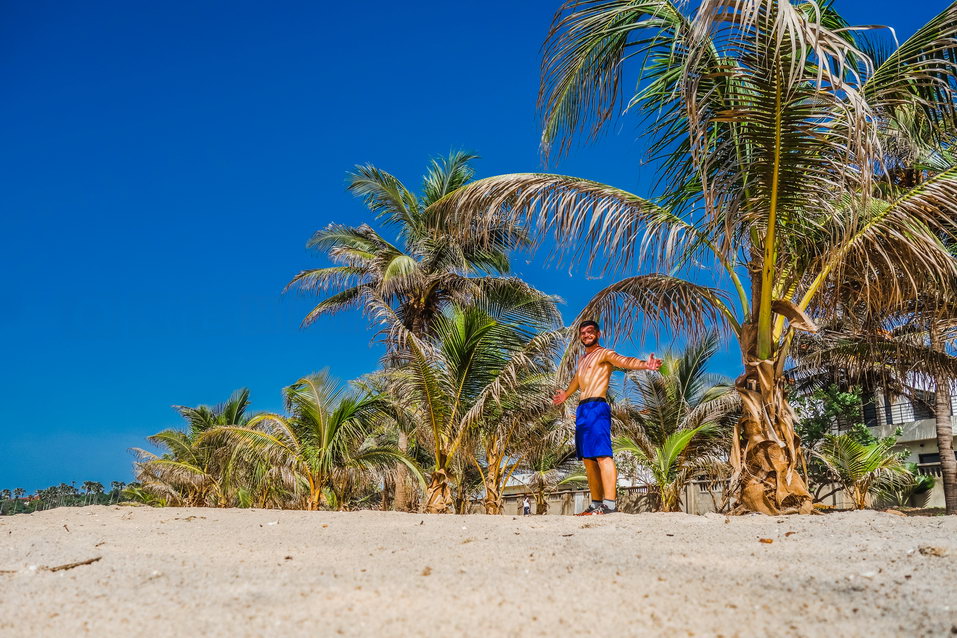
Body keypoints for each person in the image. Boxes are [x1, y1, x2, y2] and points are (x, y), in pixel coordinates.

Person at [553, 320, 662, 515]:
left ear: (598, 333)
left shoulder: (604, 353)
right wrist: (565, 395)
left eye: (590, 332)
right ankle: (595, 504)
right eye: (583, 333)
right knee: (588, 459)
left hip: (597, 407)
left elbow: (624, 360)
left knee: (603, 455)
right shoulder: (582, 360)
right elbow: (577, 380)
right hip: (582, 410)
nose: (586, 335)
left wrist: (646, 364)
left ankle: (609, 504)